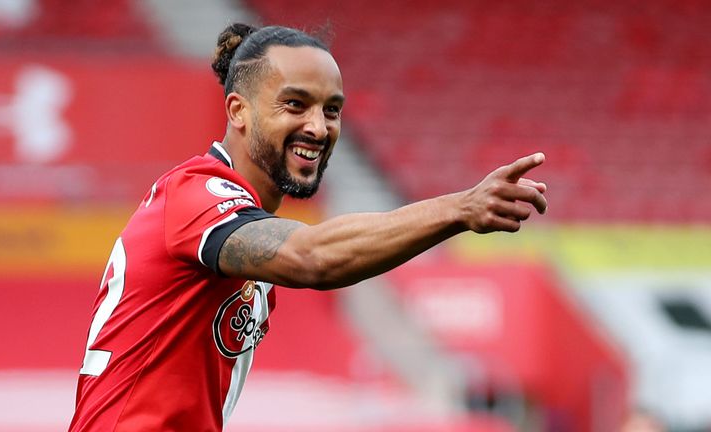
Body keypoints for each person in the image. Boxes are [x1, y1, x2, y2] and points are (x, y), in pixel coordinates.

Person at [68, 23, 548, 432]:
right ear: (238, 111)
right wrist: (458, 209)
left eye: (331, 109)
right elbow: (313, 257)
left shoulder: (242, 225)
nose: (318, 127)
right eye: (295, 105)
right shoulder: (196, 195)